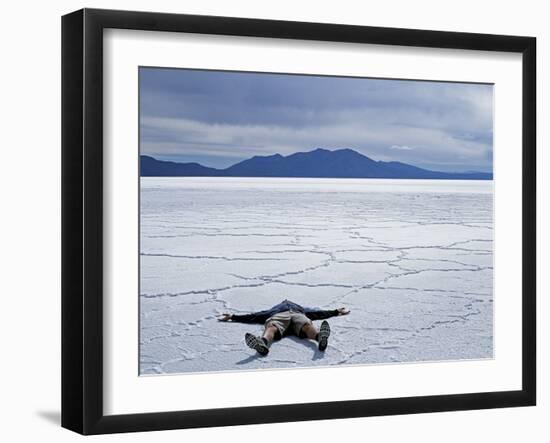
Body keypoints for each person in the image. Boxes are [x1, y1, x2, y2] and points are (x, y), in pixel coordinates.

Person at [218, 299, 350, 356]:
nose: (286, 302)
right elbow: (254, 316)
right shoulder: (272, 311)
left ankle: (320, 337)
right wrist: (233, 316)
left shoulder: (302, 310)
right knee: (272, 326)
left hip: (296, 315)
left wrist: (335, 311)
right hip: (279, 316)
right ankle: (262, 344)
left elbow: (318, 313)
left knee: (306, 324)